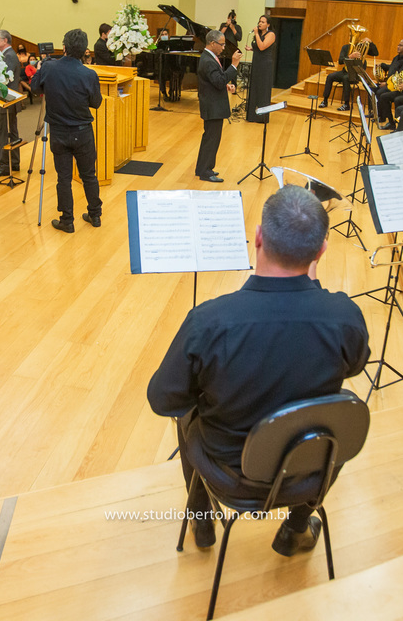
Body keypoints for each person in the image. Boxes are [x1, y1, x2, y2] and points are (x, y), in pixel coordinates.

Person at [148, 185, 370, 555]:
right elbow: (355, 366)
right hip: (309, 472)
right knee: (331, 416)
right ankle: (295, 529)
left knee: (188, 408)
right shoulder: (345, 316)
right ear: (322, 251)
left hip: (230, 475)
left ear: (258, 238)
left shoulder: (209, 322)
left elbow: (162, 399)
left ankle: (201, 522)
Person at [30, 29, 102, 233]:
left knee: (64, 177)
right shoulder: (89, 74)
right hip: (83, 131)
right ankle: (95, 215)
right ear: (85, 50)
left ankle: (67, 220)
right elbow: (96, 103)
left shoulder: (49, 68)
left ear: (64, 47)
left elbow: (35, 89)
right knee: (89, 175)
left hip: (59, 132)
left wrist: (39, 69)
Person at [194, 29, 242, 183]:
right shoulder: (208, 60)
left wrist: (225, 86)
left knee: (209, 138)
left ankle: (202, 168)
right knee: (212, 139)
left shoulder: (209, 57)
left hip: (212, 103)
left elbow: (215, 81)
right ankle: (205, 172)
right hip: (212, 106)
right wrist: (234, 65)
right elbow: (219, 80)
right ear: (213, 43)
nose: (223, 47)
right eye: (221, 44)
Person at [0, 29, 24, 178]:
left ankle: (5, 164)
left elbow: (4, 79)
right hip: (7, 101)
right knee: (11, 132)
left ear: (5, 41)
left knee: (4, 132)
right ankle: (13, 161)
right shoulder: (7, 55)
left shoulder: (8, 56)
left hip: (6, 101)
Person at [320, 34, 378, 111]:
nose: (352, 38)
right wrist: (350, 56)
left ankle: (346, 104)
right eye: (351, 36)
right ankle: (325, 100)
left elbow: (375, 53)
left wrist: (371, 42)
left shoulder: (362, 48)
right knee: (330, 76)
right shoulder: (345, 47)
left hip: (357, 74)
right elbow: (340, 61)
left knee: (346, 78)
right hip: (345, 71)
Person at [246, 15, 276, 124]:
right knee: (255, 88)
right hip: (257, 63)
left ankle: (261, 117)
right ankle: (252, 116)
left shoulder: (271, 34)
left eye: (263, 22)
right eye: (259, 21)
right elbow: (258, 49)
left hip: (265, 66)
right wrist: (250, 49)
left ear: (268, 25)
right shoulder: (259, 35)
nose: (260, 24)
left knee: (262, 89)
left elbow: (263, 46)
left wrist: (256, 34)